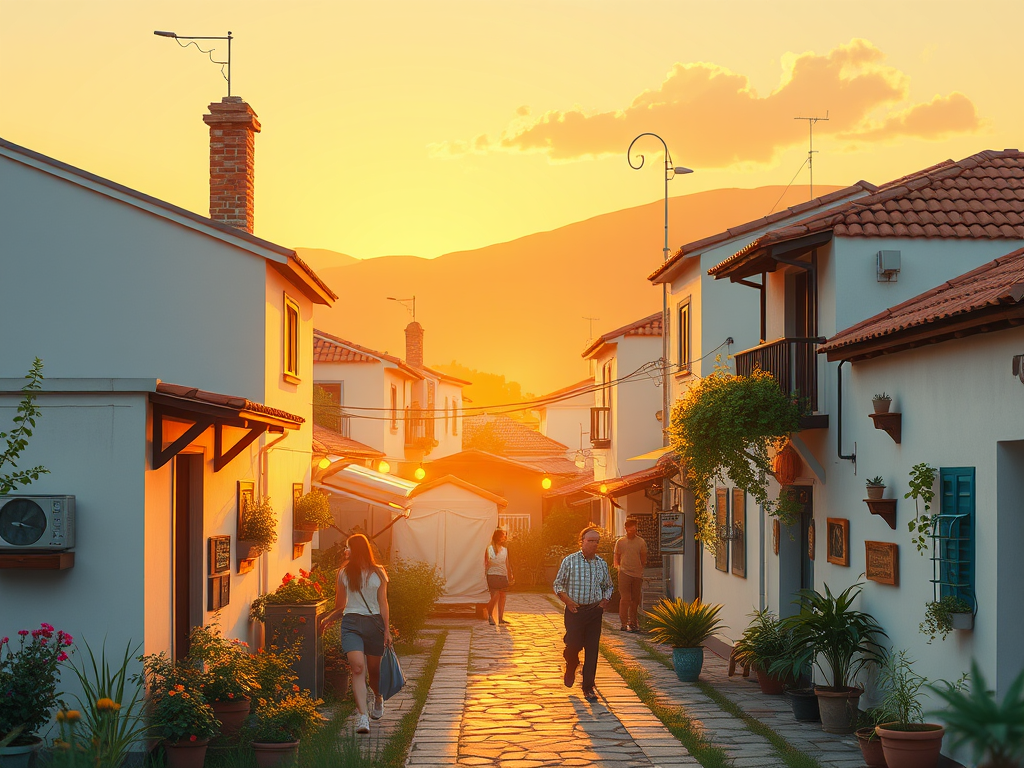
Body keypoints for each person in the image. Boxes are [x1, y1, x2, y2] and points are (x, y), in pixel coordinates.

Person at [321, 533, 393, 735]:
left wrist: (387, 630)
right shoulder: (343, 573)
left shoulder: (379, 573)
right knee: (358, 667)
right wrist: (329, 619)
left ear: (358, 549)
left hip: (374, 624)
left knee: (374, 671)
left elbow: (383, 603)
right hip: (351, 623)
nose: (345, 550)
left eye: (348, 547)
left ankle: (377, 696)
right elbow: (340, 605)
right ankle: (363, 716)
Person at [552, 525, 613, 703]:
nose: (594, 544)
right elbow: (558, 584)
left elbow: (608, 586)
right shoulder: (569, 561)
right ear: (582, 542)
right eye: (590, 541)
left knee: (592, 649)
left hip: (594, 611)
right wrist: (568, 601)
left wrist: (605, 601)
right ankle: (571, 665)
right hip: (575, 611)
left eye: (596, 541)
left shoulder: (601, 563)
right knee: (573, 645)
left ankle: (588, 687)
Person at [613, 517, 648, 632]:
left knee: (635, 599)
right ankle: (623, 623)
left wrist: (641, 569)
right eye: (630, 530)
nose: (632, 532)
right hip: (624, 572)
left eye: (634, 530)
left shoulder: (640, 542)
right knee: (625, 598)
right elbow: (616, 557)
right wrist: (619, 567)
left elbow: (643, 558)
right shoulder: (621, 542)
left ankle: (633, 622)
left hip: (637, 574)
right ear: (626, 529)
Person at [484, 528, 514, 626]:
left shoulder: (505, 550)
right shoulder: (490, 549)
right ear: (498, 537)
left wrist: (510, 575)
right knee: (495, 595)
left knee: (503, 596)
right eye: (503, 535)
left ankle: (500, 618)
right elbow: (488, 562)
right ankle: (490, 615)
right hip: (493, 574)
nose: (505, 537)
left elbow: (507, 563)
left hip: (502, 574)